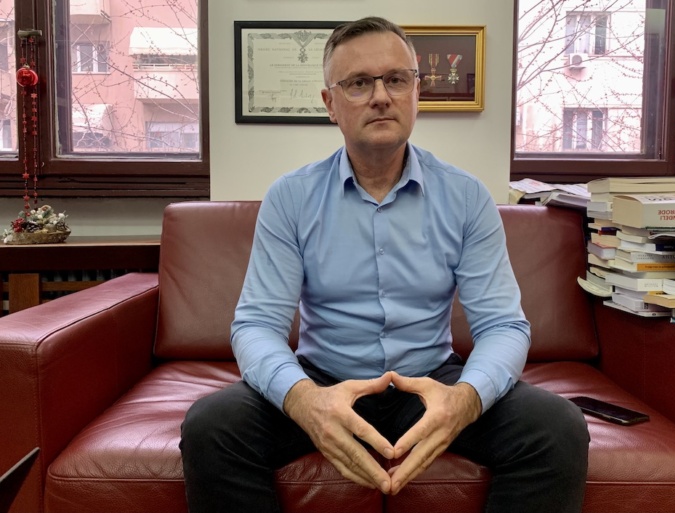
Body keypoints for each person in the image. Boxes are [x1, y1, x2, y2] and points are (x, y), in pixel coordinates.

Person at [180, 16, 589, 513]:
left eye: (396, 79)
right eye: (358, 83)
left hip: (430, 381)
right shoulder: (290, 198)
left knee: (556, 429)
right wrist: (305, 401)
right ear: (330, 104)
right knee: (211, 428)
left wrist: (463, 400)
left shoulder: (466, 197)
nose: (380, 96)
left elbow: (503, 325)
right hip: (325, 380)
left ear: (417, 91)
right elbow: (256, 325)